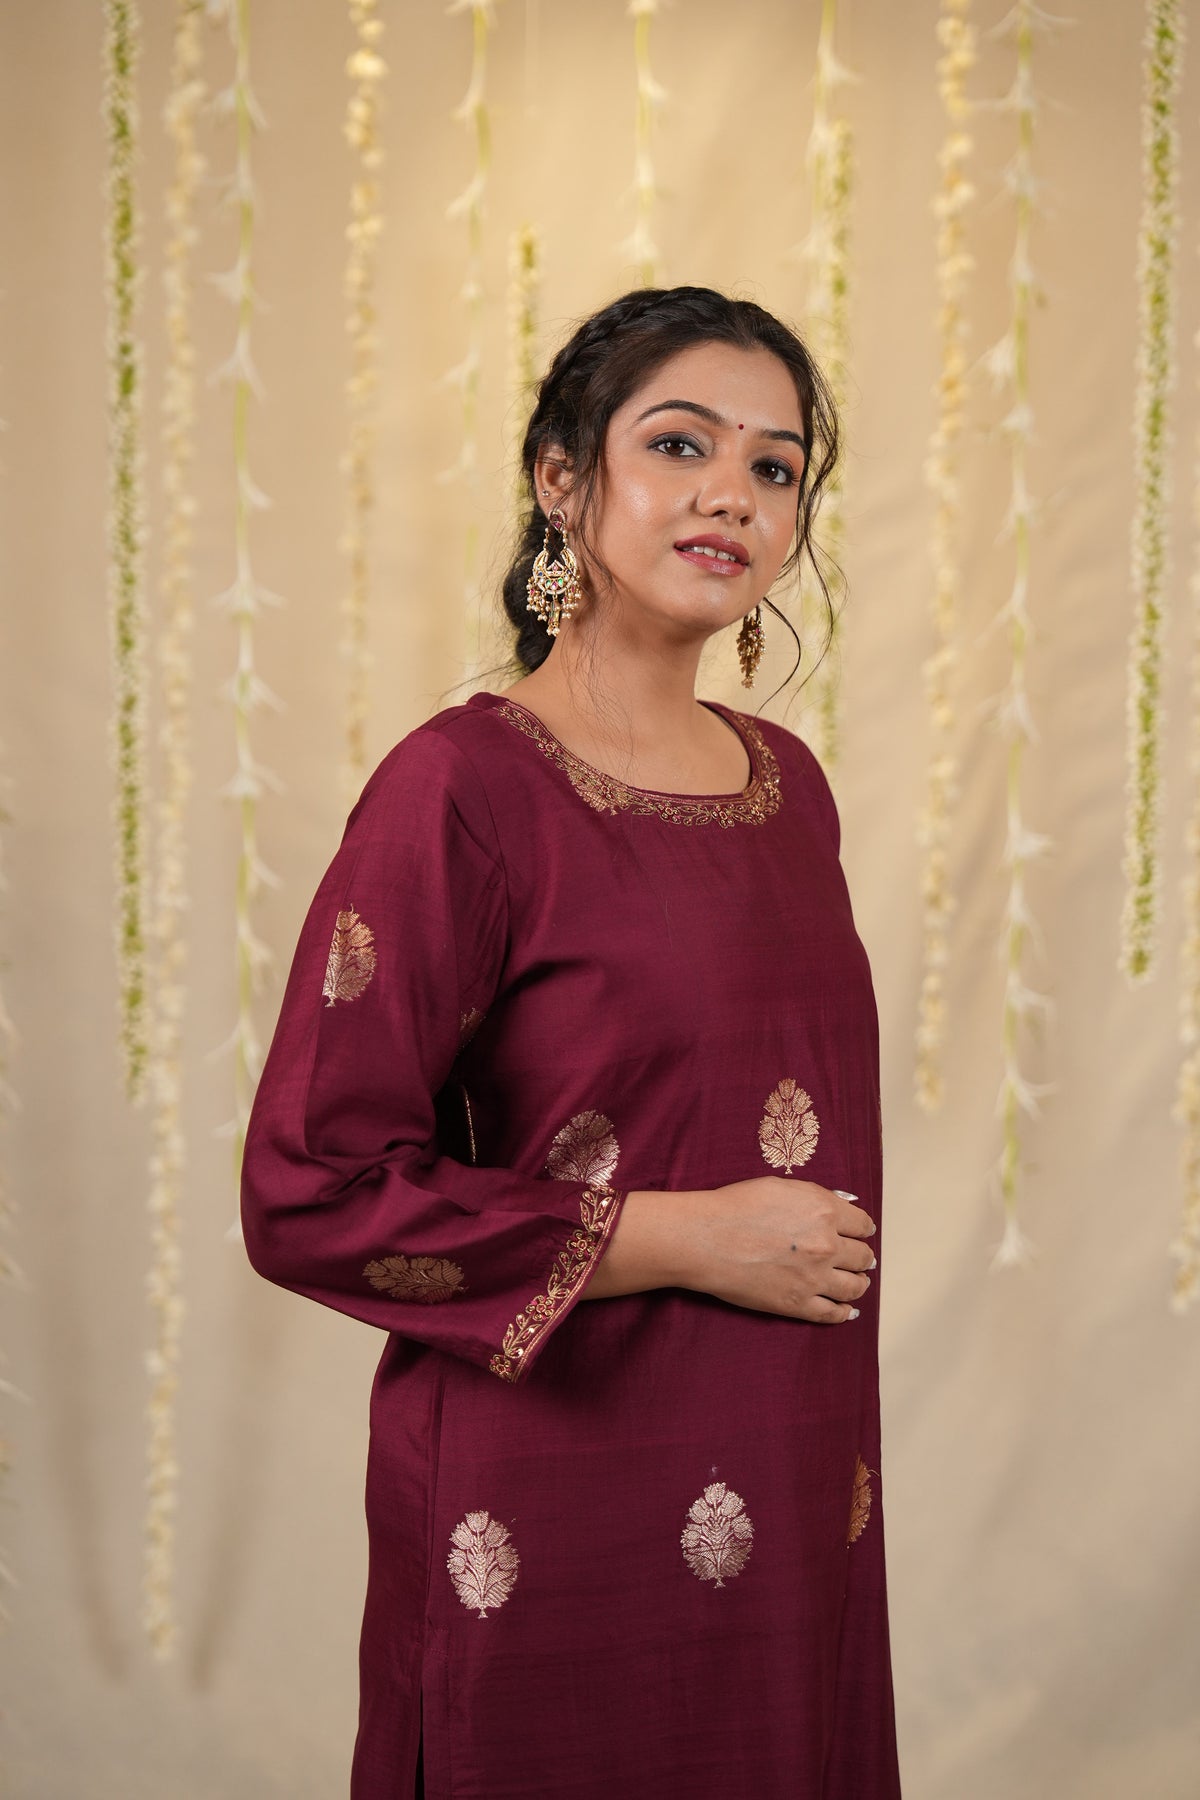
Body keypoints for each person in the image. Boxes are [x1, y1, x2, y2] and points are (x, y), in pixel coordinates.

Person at [241, 284, 901, 1799]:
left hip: (794, 1471)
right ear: (561, 479)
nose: (731, 493)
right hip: (546, 1496)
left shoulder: (789, 787)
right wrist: (683, 1236)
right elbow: (312, 1189)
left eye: (776, 466)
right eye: (679, 445)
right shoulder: (462, 788)